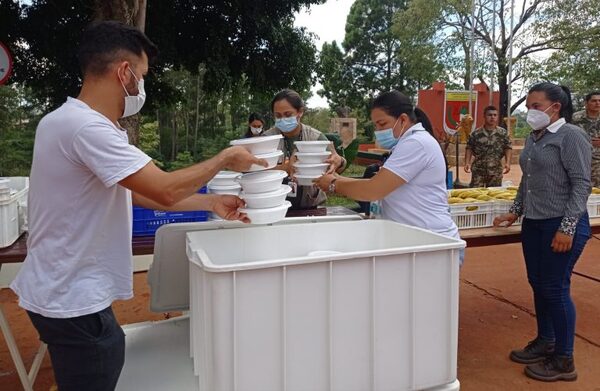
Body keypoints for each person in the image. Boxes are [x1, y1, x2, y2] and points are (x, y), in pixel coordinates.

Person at [9, 21, 265, 391]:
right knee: (99, 364)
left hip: (62, 289)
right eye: (142, 76)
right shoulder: (87, 128)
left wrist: (211, 200)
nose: (141, 86)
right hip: (72, 296)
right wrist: (223, 158)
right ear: (124, 72)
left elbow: (138, 192)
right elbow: (162, 189)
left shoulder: (67, 121)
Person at [494, 82, 591, 382]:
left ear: (555, 107)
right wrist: (516, 209)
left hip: (561, 223)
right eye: (528, 107)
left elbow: (581, 184)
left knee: (555, 287)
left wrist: (567, 227)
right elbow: (527, 179)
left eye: (535, 106)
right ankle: (546, 340)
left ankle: (564, 360)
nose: (530, 112)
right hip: (534, 222)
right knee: (538, 283)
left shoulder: (571, 136)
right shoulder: (536, 137)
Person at [314, 90, 463, 264]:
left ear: (403, 119)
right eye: (376, 125)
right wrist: (333, 178)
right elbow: (376, 184)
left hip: (433, 245)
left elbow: (373, 190)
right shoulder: (408, 143)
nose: (378, 131)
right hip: (417, 242)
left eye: (382, 124)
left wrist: (333, 183)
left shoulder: (416, 144)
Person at [262, 89, 346, 209]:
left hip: (309, 205)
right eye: (278, 116)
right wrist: (284, 168)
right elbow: (255, 172)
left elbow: (338, 164)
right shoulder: (267, 139)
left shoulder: (315, 137)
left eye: (288, 114)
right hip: (273, 206)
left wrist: (340, 161)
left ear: (300, 112)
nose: (282, 120)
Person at [464, 105, 512, 187]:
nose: (492, 117)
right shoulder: (476, 133)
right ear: (484, 116)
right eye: (489, 115)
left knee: (494, 195)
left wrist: (508, 163)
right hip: (479, 170)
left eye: (495, 115)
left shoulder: (502, 133)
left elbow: (508, 147)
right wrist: (467, 163)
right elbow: (469, 147)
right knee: (477, 195)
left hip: (495, 170)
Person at [572, 91, 600, 186]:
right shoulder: (575, 118)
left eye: (599, 101)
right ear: (586, 103)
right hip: (579, 160)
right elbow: (566, 136)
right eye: (594, 101)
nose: (597, 103)